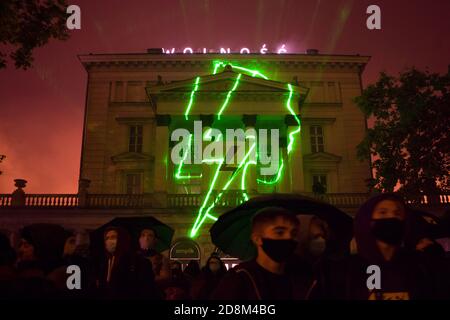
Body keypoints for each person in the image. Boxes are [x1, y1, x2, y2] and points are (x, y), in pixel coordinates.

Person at [316, 193, 436, 300]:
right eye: (383, 212)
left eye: (397, 213)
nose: (391, 217)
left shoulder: (419, 267)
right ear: (368, 221)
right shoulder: (342, 272)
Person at [211, 207, 315, 300]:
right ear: (257, 239)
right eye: (279, 232)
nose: (288, 238)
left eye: (294, 233)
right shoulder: (239, 279)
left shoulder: (305, 278)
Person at [94, 226, 161, 299]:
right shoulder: (104, 263)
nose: (110, 241)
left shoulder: (139, 261)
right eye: (107, 238)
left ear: (123, 239)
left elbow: (148, 291)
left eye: (113, 237)